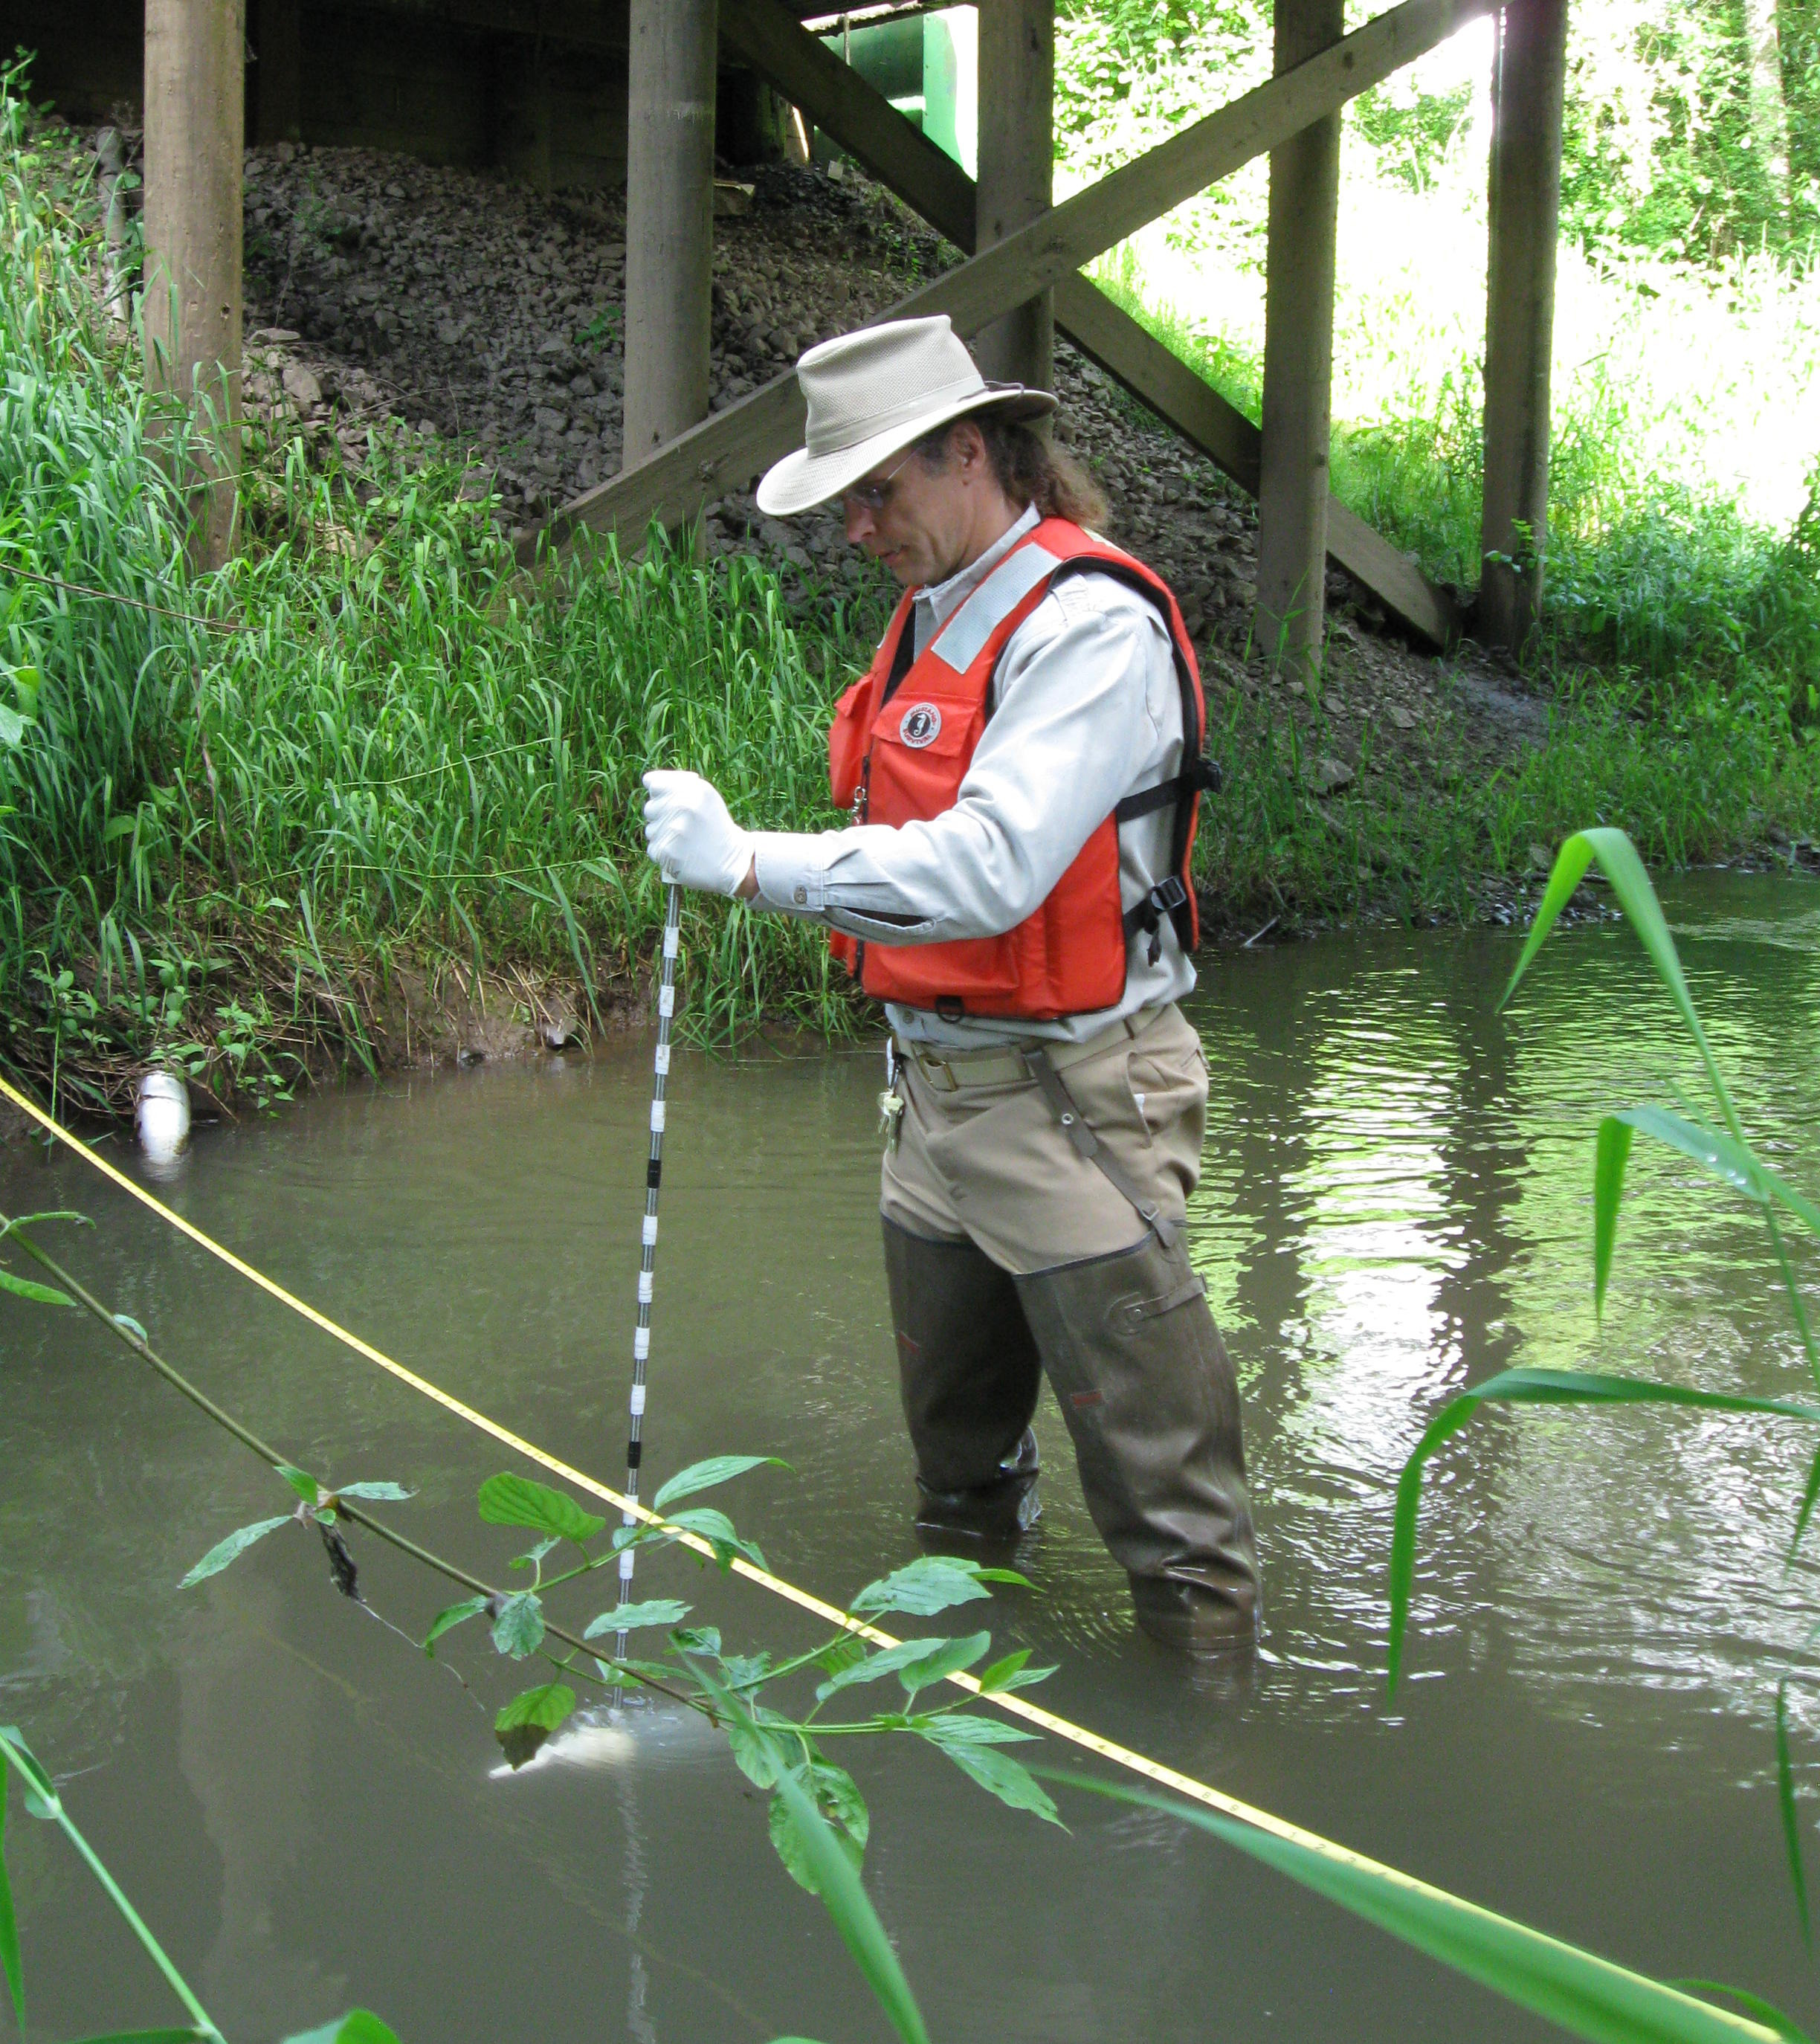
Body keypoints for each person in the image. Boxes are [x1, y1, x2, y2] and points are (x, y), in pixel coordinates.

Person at [642, 315, 1258, 1652]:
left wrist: (749, 863)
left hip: (1075, 1106)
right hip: (933, 1107)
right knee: (958, 1480)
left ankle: (1208, 1808)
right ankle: (961, 1734)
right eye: (847, 499)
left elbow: (991, 871)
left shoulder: (1088, 627)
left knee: (1178, 1527)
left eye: (876, 490)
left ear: (968, 453)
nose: (857, 526)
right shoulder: (933, 612)